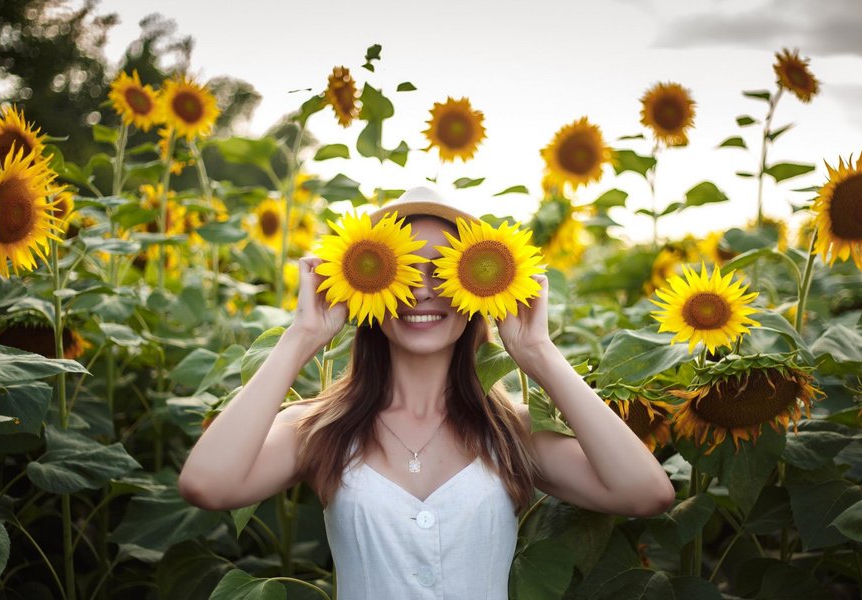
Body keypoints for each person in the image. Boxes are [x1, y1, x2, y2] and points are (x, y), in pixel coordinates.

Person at [179, 187, 675, 599]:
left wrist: (538, 351)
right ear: (365, 285)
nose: (422, 289)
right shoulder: (320, 427)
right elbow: (207, 485)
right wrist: (302, 337)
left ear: (481, 286)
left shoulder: (510, 431)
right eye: (403, 267)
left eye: (444, 268)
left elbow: (646, 493)